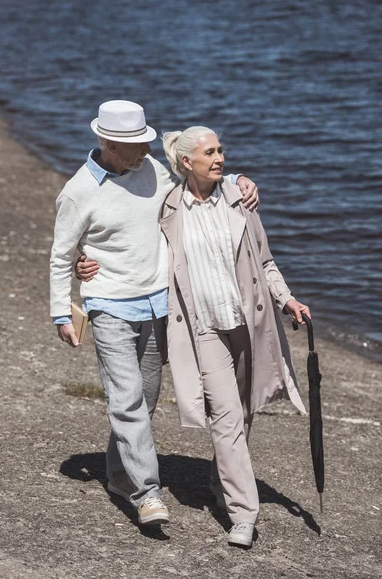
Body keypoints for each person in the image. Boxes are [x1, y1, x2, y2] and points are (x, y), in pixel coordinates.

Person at [50, 100, 258, 526]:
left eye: (146, 142)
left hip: (160, 303)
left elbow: (194, 179)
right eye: (135, 145)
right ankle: (147, 493)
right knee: (126, 400)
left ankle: (116, 474)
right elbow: (60, 256)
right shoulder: (77, 192)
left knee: (142, 401)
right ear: (108, 143)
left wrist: (236, 179)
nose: (146, 150)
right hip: (109, 305)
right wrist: (61, 312)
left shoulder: (154, 170)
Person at [158, 126, 310, 547]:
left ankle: (218, 481)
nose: (219, 157)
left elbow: (265, 262)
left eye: (221, 150)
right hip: (203, 329)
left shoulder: (240, 200)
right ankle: (243, 514)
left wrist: (287, 300)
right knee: (225, 418)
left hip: (247, 323)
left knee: (243, 413)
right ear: (187, 162)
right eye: (210, 152)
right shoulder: (168, 206)